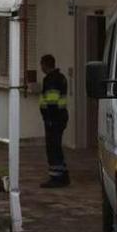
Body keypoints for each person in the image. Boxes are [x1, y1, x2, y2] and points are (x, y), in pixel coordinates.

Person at [39, 54, 70, 188]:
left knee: (52, 148)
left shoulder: (51, 80)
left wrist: (49, 118)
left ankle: (56, 178)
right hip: (61, 117)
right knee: (57, 147)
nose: (41, 68)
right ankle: (63, 175)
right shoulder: (61, 78)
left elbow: (51, 102)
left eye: (42, 65)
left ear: (45, 65)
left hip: (53, 119)